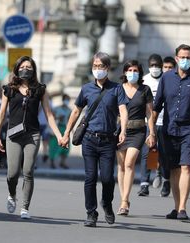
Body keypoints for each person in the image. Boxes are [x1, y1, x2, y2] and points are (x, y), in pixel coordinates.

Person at [61, 52, 128, 227]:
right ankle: (91, 213)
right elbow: (76, 111)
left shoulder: (117, 88)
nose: (97, 69)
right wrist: (67, 132)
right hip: (89, 139)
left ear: (107, 68)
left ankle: (106, 204)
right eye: (95, 66)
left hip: (108, 141)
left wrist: (123, 130)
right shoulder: (86, 89)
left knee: (107, 178)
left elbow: (123, 110)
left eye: (101, 66)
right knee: (90, 177)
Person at [0, 56, 63, 219]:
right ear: (17, 69)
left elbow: (49, 114)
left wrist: (59, 135)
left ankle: (25, 207)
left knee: (28, 171)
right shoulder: (9, 89)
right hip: (13, 134)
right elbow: (2, 113)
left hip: (32, 134)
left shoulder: (40, 89)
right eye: (23, 66)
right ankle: (12, 195)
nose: (26, 69)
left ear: (34, 70)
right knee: (12, 173)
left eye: (29, 67)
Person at [153, 44, 190, 220]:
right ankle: (176, 207)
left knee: (186, 166)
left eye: (188, 57)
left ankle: (183, 207)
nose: (185, 60)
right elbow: (157, 105)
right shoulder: (166, 78)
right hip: (169, 130)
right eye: (182, 57)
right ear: (176, 58)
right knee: (174, 169)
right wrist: (151, 131)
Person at [116, 60, 155, 216]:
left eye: (136, 70)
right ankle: (123, 198)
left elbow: (149, 114)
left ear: (139, 73)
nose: (132, 72)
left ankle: (125, 201)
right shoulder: (118, 89)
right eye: (130, 70)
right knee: (120, 167)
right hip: (120, 130)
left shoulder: (145, 90)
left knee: (129, 163)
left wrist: (152, 133)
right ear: (125, 72)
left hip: (138, 131)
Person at [138, 55, 176, 198]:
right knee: (148, 152)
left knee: (164, 154)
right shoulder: (145, 80)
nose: (155, 68)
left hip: (166, 122)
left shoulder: (168, 80)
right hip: (150, 122)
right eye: (152, 65)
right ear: (148, 65)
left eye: (157, 65)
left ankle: (165, 180)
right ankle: (144, 184)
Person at [49, 94, 71, 169]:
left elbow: (69, 121)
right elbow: (52, 118)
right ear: (63, 100)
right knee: (54, 146)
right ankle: (52, 162)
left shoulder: (69, 110)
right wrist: (58, 118)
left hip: (65, 128)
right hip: (57, 128)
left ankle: (63, 162)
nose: (66, 101)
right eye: (66, 99)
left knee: (66, 147)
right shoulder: (56, 109)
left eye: (68, 100)